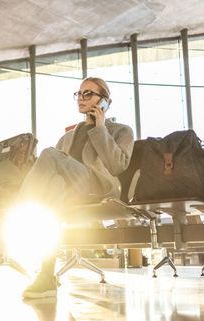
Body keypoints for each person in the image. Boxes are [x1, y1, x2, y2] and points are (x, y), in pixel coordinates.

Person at [18, 77, 135, 299]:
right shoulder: (67, 136)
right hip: (70, 191)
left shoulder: (121, 131)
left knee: (49, 153)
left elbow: (117, 165)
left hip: (97, 188)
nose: (81, 98)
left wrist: (100, 128)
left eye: (88, 94)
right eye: (79, 94)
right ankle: (46, 276)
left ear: (105, 101)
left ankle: (15, 216)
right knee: (53, 187)